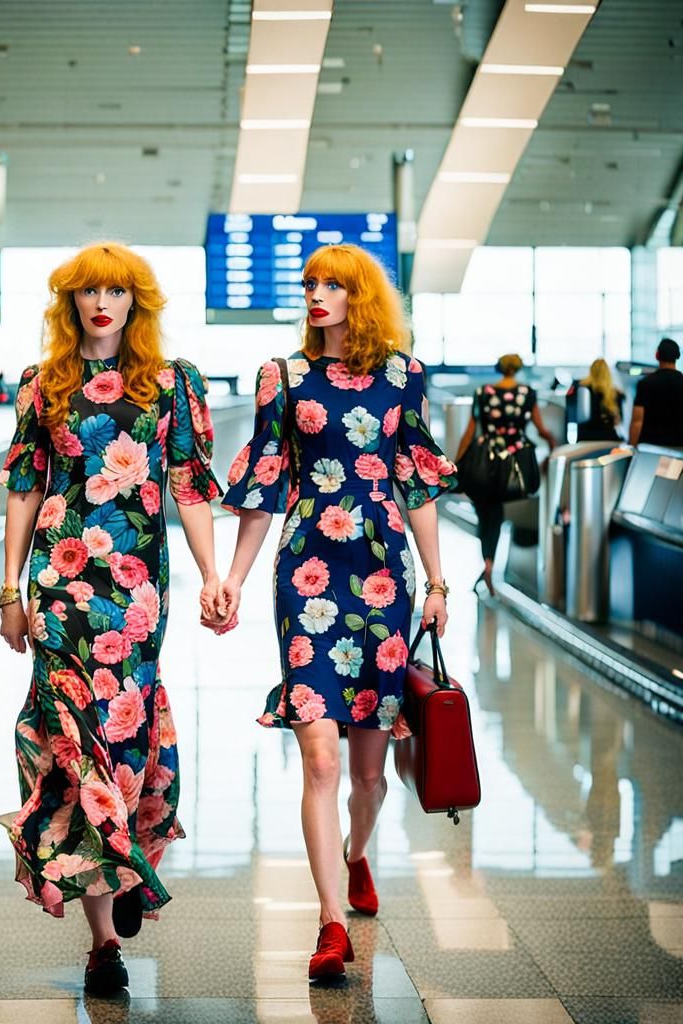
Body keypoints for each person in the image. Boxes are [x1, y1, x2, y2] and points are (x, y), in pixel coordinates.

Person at [217, 243, 456, 981]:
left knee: (368, 775)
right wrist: (232, 579)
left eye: (333, 284)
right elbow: (264, 487)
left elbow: (416, 484)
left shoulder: (403, 377)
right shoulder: (283, 377)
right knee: (320, 757)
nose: (317, 294)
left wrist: (438, 582)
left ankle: (357, 853)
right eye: (310, 283)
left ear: (362, 296)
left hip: (383, 575)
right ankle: (329, 923)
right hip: (307, 573)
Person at [0, 242, 225, 997]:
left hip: (135, 592)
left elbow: (189, 487)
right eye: (88, 291)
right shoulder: (43, 385)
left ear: (135, 302)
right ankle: (103, 944)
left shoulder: (170, 383)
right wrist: (10, 592)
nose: (102, 303)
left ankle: (125, 855)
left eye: (116, 291)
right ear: (71, 302)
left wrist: (212, 575)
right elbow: (25, 488)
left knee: (124, 737)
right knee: (72, 743)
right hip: (60, 586)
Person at [454, 353, 557, 597]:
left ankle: (487, 562)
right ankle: (490, 564)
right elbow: (541, 429)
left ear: (500, 368)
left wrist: (457, 464)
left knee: (485, 512)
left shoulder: (483, 392)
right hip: (514, 463)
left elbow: (469, 433)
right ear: (518, 369)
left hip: (484, 461)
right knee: (497, 510)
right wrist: (552, 445)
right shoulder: (527, 393)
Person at [629, 337, 683, 448]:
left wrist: (632, 447)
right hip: (679, 449)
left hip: (650, 448)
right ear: (677, 356)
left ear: (657, 355)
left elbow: (637, 421)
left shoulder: (645, 383)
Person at [569, 358, 623, 442]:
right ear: (607, 373)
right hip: (608, 438)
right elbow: (617, 421)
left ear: (591, 370)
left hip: (585, 438)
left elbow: (571, 413)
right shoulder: (615, 393)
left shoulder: (580, 388)